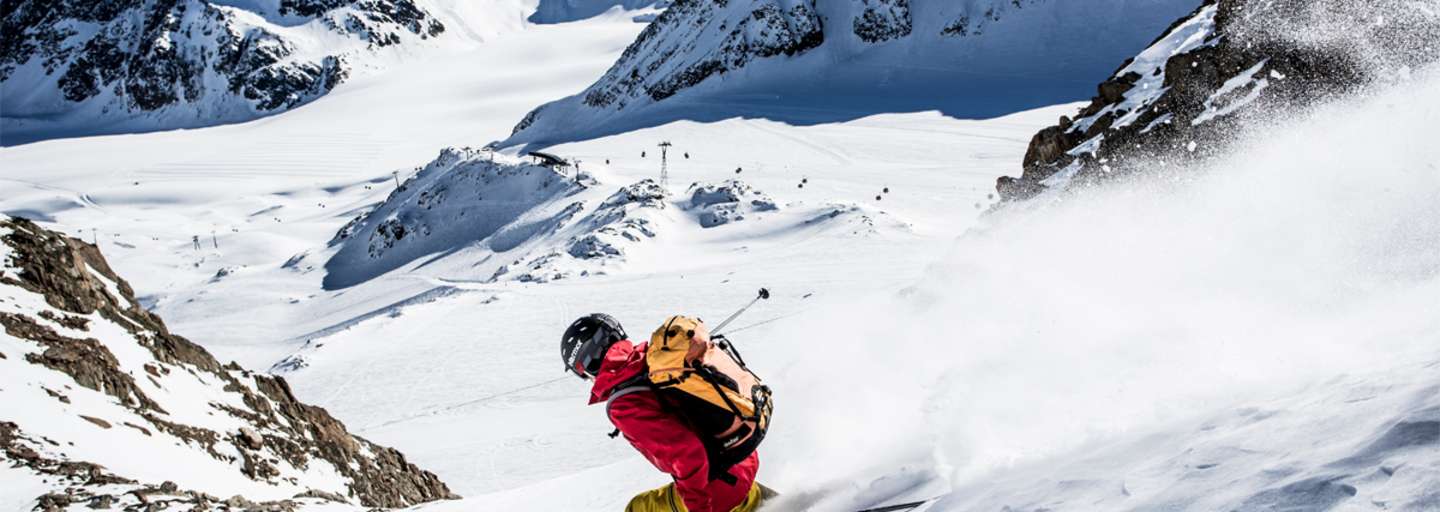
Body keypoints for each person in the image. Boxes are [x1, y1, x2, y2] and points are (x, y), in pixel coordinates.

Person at [561, 314, 764, 512]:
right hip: (743, 457)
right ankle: (770, 503)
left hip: (719, 484)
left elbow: (688, 454)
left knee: (638, 507)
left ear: (587, 365)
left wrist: (700, 508)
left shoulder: (623, 404)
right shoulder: (657, 359)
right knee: (738, 495)